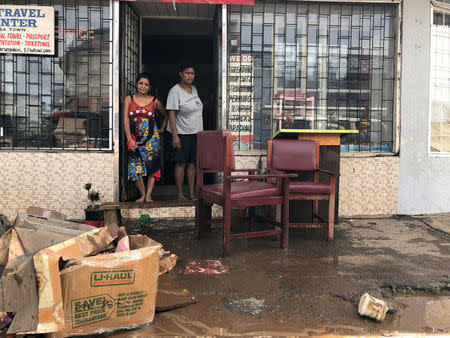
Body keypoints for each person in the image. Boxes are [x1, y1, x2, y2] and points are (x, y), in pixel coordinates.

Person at [123, 73, 168, 202]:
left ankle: (148, 195)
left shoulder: (155, 101)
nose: (143, 86)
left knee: (153, 165)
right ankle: (142, 194)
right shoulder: (128, 99)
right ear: (137, 84)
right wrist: (129, 138)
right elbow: (126, 119)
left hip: (152, 139)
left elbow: (166, 115)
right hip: (133, 138)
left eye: (146, 84)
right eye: (141, 83)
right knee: (134, 165)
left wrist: (162, 129)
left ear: (149, 87)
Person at [166, 64, 203, 201]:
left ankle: (192, 194)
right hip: (182, 133)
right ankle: (180, 194)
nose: (190, 76)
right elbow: (171, 113)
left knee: (192, 163)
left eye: (192, 73)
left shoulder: (194, 89)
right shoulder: (175, 91)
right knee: (180, 163)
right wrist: (175, 136)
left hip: (196, 133)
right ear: (180, 74)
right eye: (187, 73)